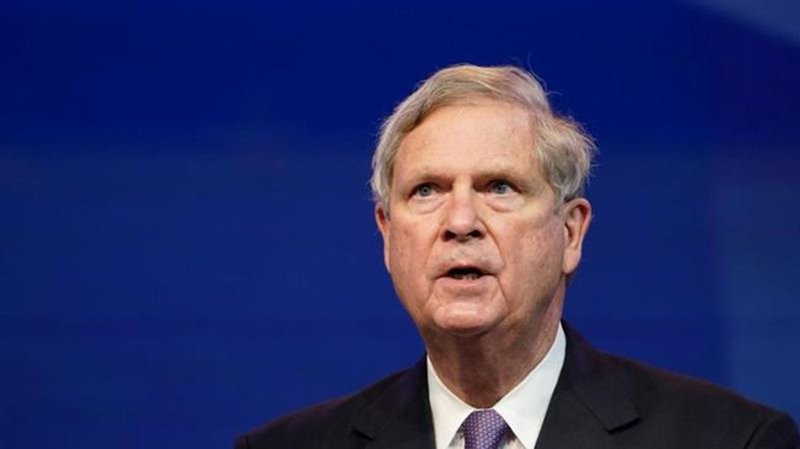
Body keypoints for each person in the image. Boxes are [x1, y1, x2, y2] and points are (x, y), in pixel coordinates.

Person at [234, 64, 800, 449]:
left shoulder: (730, 439)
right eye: (426, 190)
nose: (460, 222)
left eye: (499, 187)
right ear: (387, 235)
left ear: (570, 233)